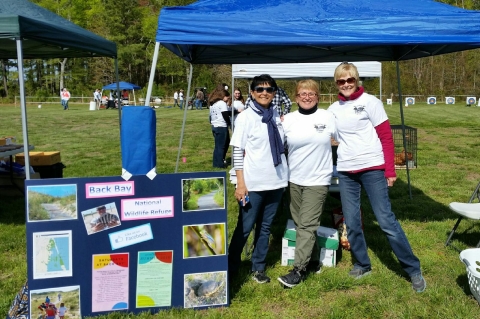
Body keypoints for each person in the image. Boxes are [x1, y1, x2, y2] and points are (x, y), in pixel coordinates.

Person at [327, 62, 426, 292]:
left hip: (372, 168)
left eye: (350, 79)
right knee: (351, 222)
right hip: (346, 171)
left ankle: (413, 269)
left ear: (357, 80)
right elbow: (326, 134)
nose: (346, 84)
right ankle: (363, 263)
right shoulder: (333, 109)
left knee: (385, 220)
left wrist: (390, 170)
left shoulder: (371, 102)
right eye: (341, 81)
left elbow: (386, 138)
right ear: (336, 84)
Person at [228, 74, 288, 284]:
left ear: (274, 93)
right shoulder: (245, 117)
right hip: (252, 184)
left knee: (265, 228)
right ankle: (231, 266)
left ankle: (258, 267)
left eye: (269, 89)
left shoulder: (276, 116)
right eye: (260, 89)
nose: (265, 93)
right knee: (244, 228)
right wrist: (240, 183)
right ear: (252, 93)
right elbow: (237, 151)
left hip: (277, 182)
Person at [277, 79, 336, 288]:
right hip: (293, 179)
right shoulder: (287, 120)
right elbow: (275, 144)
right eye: (303, 93)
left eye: (311, 93)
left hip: (318, 180)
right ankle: (313, 261)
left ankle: (298, 269)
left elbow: (341, 139)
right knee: (300, 222)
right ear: (296, 97)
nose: (307, 97)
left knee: (307, 224)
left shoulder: (328, 117)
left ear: (318, 97)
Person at [209, 86, 230, 168]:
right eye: (227, 97)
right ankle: (220, 164)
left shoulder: (213, 104)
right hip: (221, 126)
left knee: (217, 146)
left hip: (215, 126)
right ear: (223, 96)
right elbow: (225, 114)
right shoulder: (222, 103)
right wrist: (229, 123)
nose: (228, 99)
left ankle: (216, 163)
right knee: (221, 146)